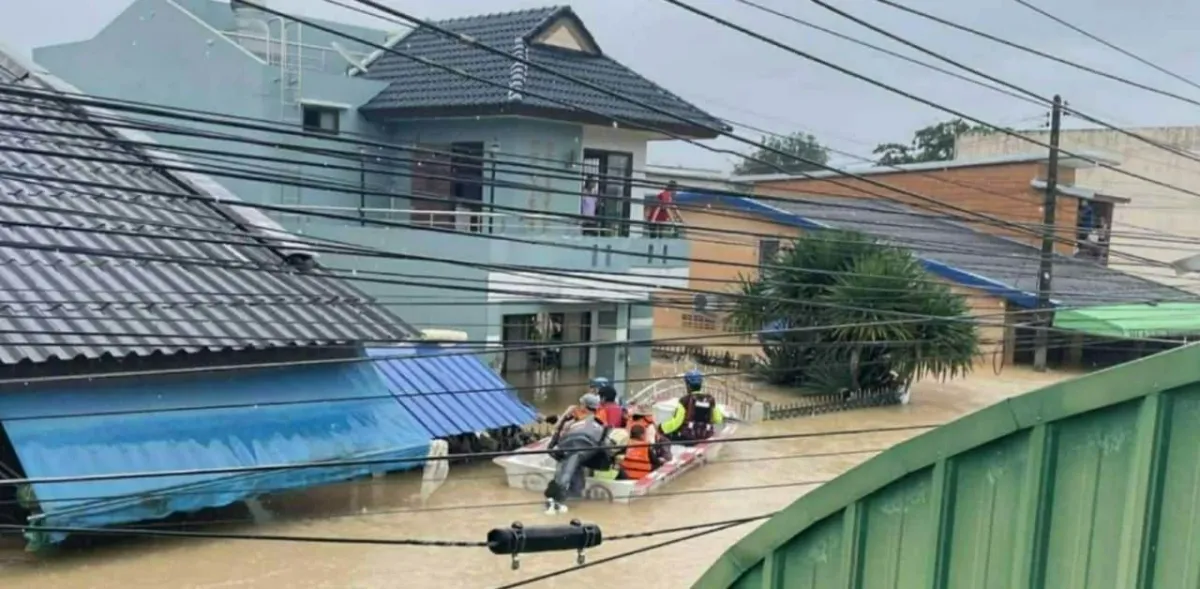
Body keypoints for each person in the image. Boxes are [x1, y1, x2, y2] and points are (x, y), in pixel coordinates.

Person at [660, 369, 724, 442]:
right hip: (706, 435)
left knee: (666, 435)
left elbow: (676, 423)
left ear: (688, 385)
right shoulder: (710, 399)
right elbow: (718, 419)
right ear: (701, 384)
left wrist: (662, 427)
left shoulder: (684, 400)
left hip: (688, 437)